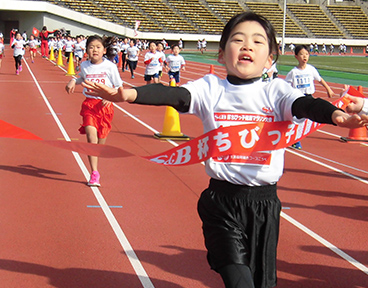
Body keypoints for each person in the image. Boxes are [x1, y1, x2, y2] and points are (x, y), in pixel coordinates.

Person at [81, 12, 368, 288]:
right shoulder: (211, 88)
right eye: (237, 39)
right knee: (238, 279)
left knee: (259, 282)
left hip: (264, 205)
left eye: (257, 41)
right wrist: (131, 94)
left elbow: (306, 105)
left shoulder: (276, 91)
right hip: (221, 201)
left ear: (269, 59)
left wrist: (336, 116)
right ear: (221, 54)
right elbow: (176, 95)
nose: (247, 45)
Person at [65, 35, 123, 186]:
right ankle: (94, 173)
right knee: (92, 138)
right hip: (89, 105)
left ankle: (95, 164)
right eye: (91, 47)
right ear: (87, 51)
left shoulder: (110, 67)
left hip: (105, 107)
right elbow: (81, 78)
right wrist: (73, 80)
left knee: (99, 143)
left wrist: (110, 97)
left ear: (104, 50)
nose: (94, 50)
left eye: (98, 47)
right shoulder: (84, 65)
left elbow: (118, 86)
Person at [285, 44, 336, 149]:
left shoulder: (311, 69)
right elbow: (286, 85)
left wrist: (328, 89)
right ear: (296, 56)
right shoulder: (293, 72)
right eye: (301, 54)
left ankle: (296, 137)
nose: (304, 56)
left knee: (307, 119)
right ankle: (295, 140)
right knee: (297, 119)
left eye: (307, 54)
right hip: (298, 98)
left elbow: (319, 79)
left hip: (309, 97)